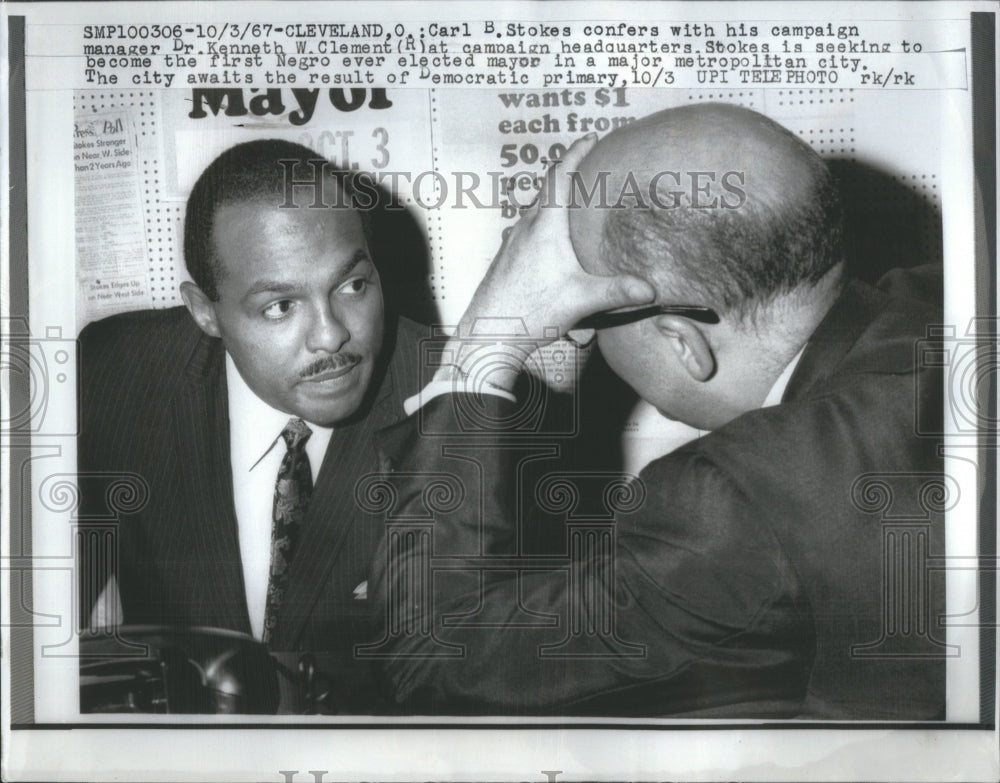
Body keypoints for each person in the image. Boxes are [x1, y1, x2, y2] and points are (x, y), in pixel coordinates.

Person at [369, 103, 946, 719]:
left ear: (683, 343)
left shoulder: (739, 499)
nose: (579, 337)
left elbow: (434, 658)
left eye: (587, 314)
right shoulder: (942, 296)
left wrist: (486, 342)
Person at [77, 140, 425, 709]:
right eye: (280, 306)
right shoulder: (113, 375)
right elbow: (36, 624)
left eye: (353, 285)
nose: (331, 334)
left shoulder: (462, 406)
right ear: (205, 312)